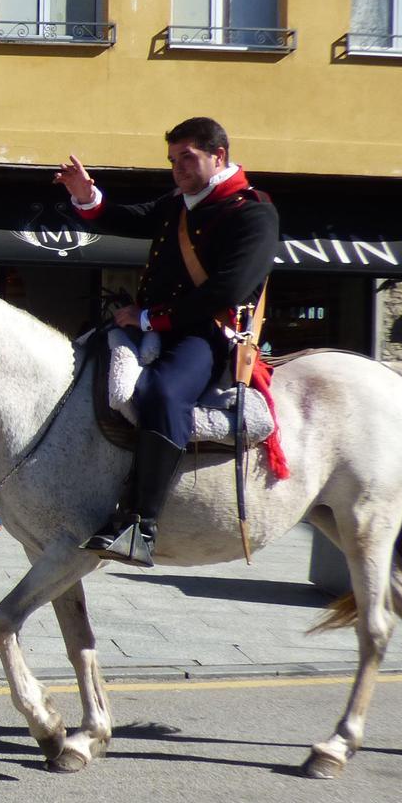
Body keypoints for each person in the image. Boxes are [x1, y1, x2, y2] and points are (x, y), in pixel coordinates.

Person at [53, 116, 279, 567]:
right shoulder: (182, 202)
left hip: (205, 333)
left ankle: (140, 524)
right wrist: (86, 197)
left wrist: (150, 318)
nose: (178, 168)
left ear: (219, 155)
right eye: (173, 159)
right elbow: (129, 217)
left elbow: (226, 291)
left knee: (162, 392)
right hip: (153, 323)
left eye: (188, 158)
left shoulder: (251, 211)